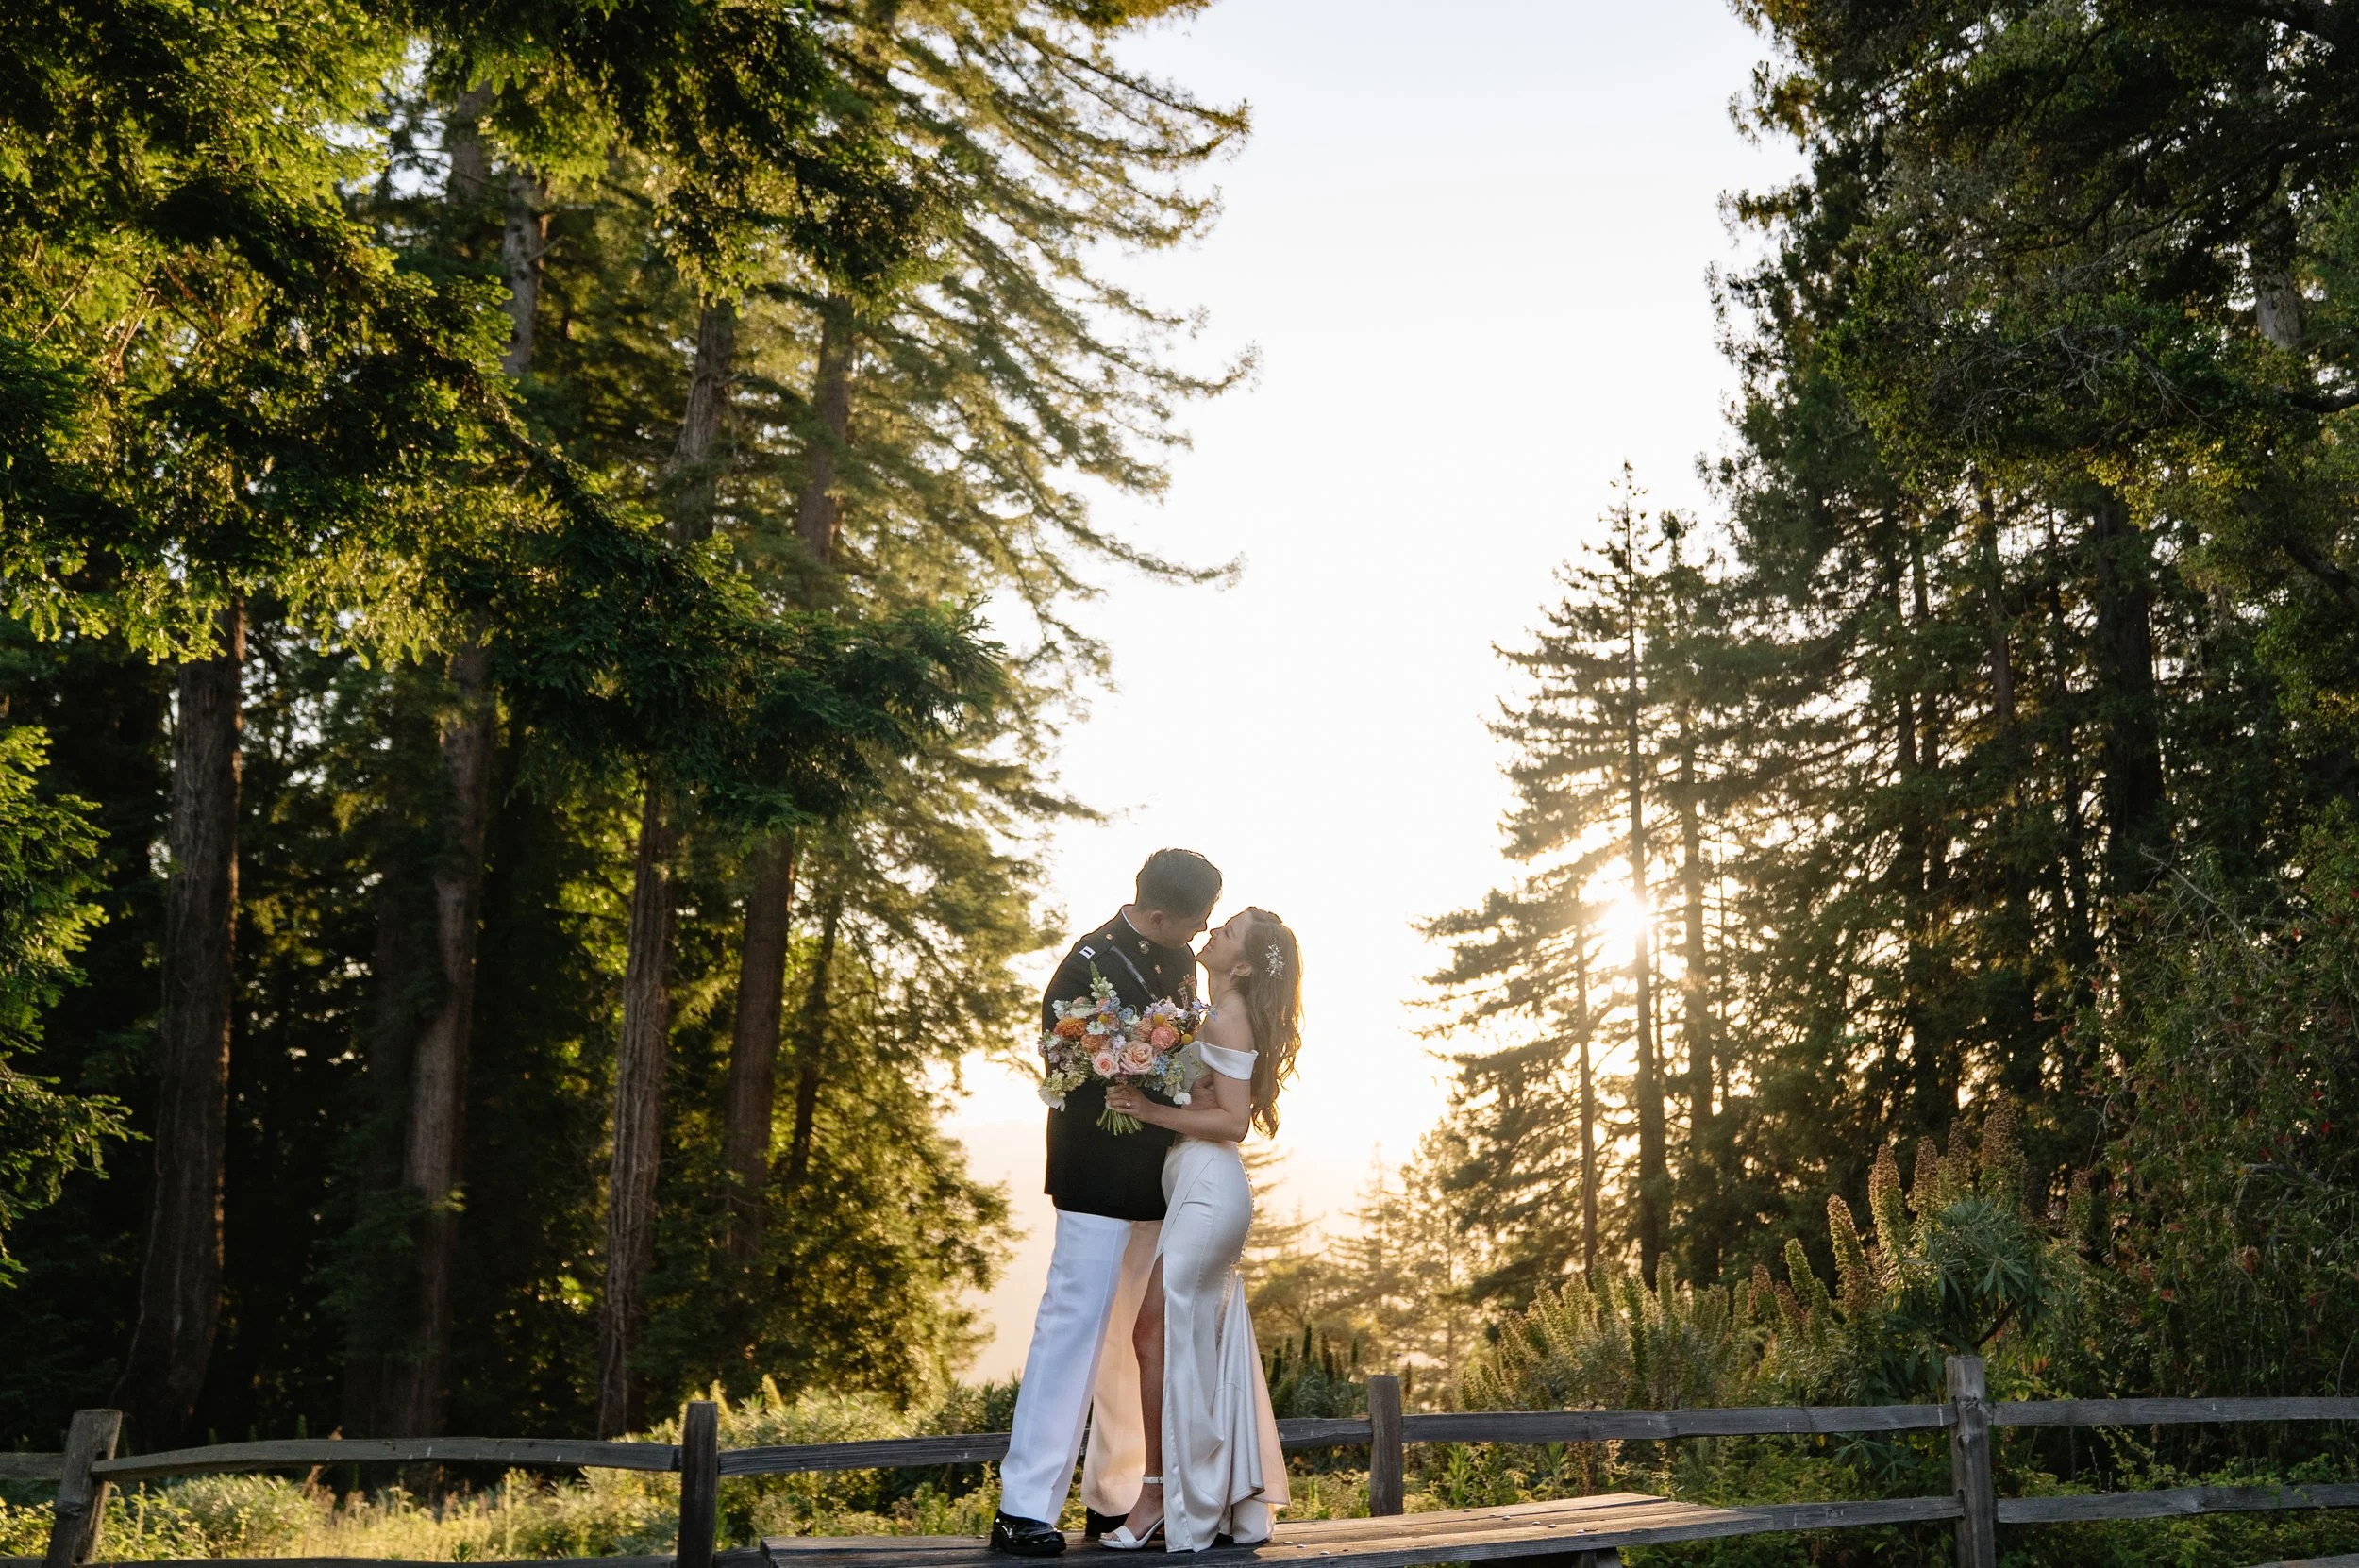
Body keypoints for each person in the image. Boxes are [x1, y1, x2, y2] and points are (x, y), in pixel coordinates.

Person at [990, 849, 1223, 1559]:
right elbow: (1063, 1063)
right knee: (1073, 1329)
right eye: (1194, 922)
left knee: (1133, 1338)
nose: (1201, 934)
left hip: (1161, 1172)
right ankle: (1023, 1507)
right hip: (1095, 1173)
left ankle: (1116, 1497)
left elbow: (1185, 1035)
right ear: (1157, 915)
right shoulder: (1083, 965)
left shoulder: (1180, 959)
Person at [1098, 907, 1302, 1553]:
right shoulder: (1210, 1012)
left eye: (1228, 932)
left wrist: (1149, 1108)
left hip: (1210, 1191)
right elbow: (1214, 1097)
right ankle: (1207, 1495)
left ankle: (1160, 1494)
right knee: (1175, 1339)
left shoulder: (1226, 1014)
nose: (1213, 934)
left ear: (1241, 964)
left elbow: (1234, 1122)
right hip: (1194, 1186)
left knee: (1154, 1333)